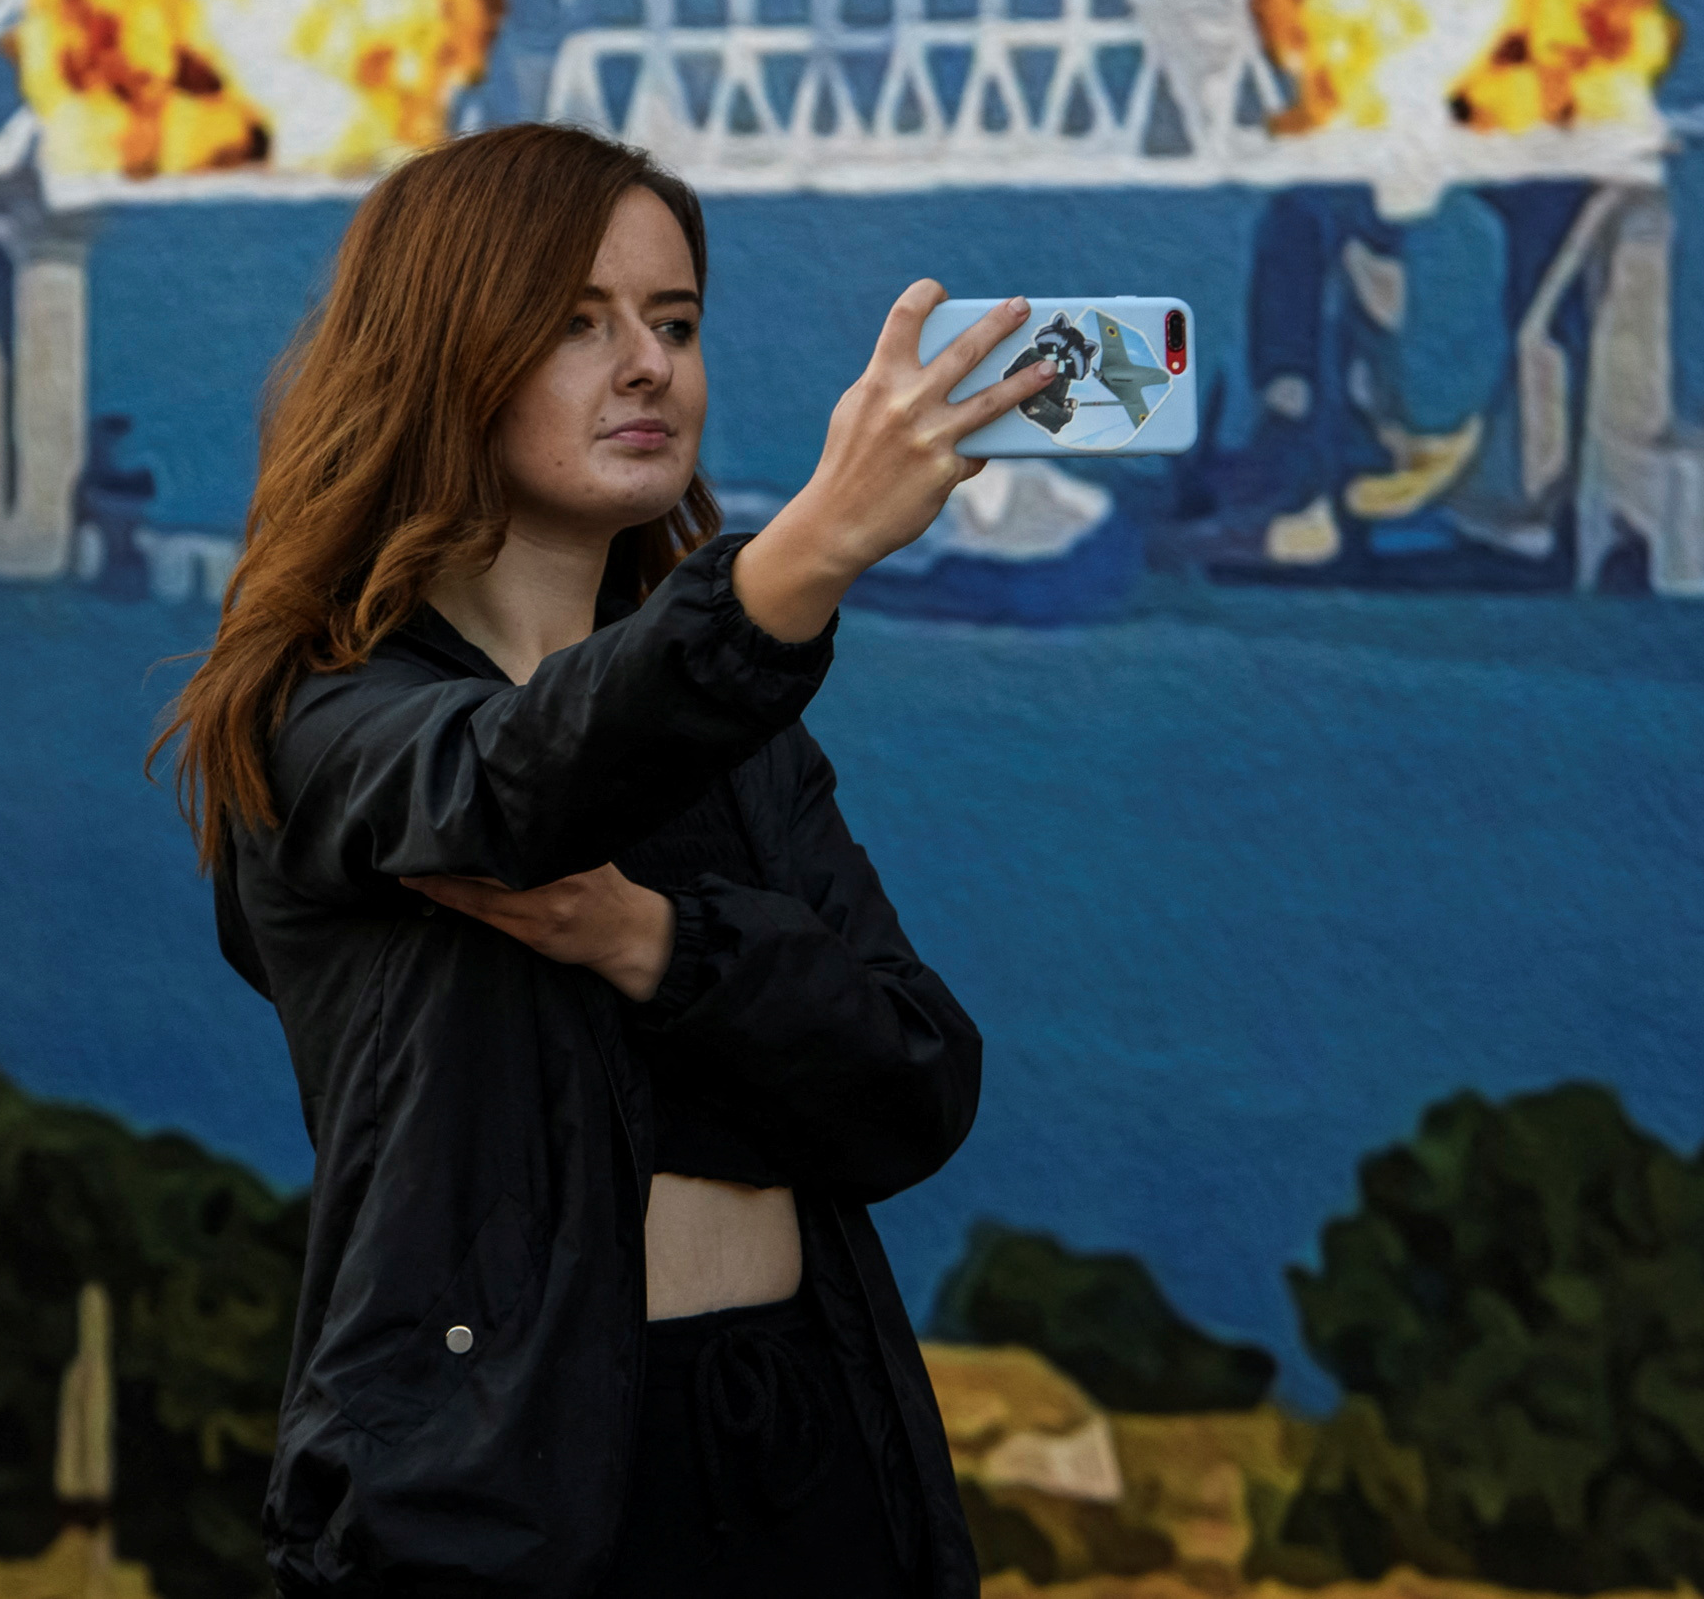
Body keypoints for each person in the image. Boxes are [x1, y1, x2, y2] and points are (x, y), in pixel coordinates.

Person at [171, 121, 1060, 1599]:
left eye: (676, 322)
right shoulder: (327, 714)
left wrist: (660, 946)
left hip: (805, 1458)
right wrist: (805, 558)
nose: (646, 365)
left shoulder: (743, 738)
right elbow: (513, 781)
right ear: (444, 358)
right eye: (575, 324)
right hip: (498, 1495)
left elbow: (912, 1083)